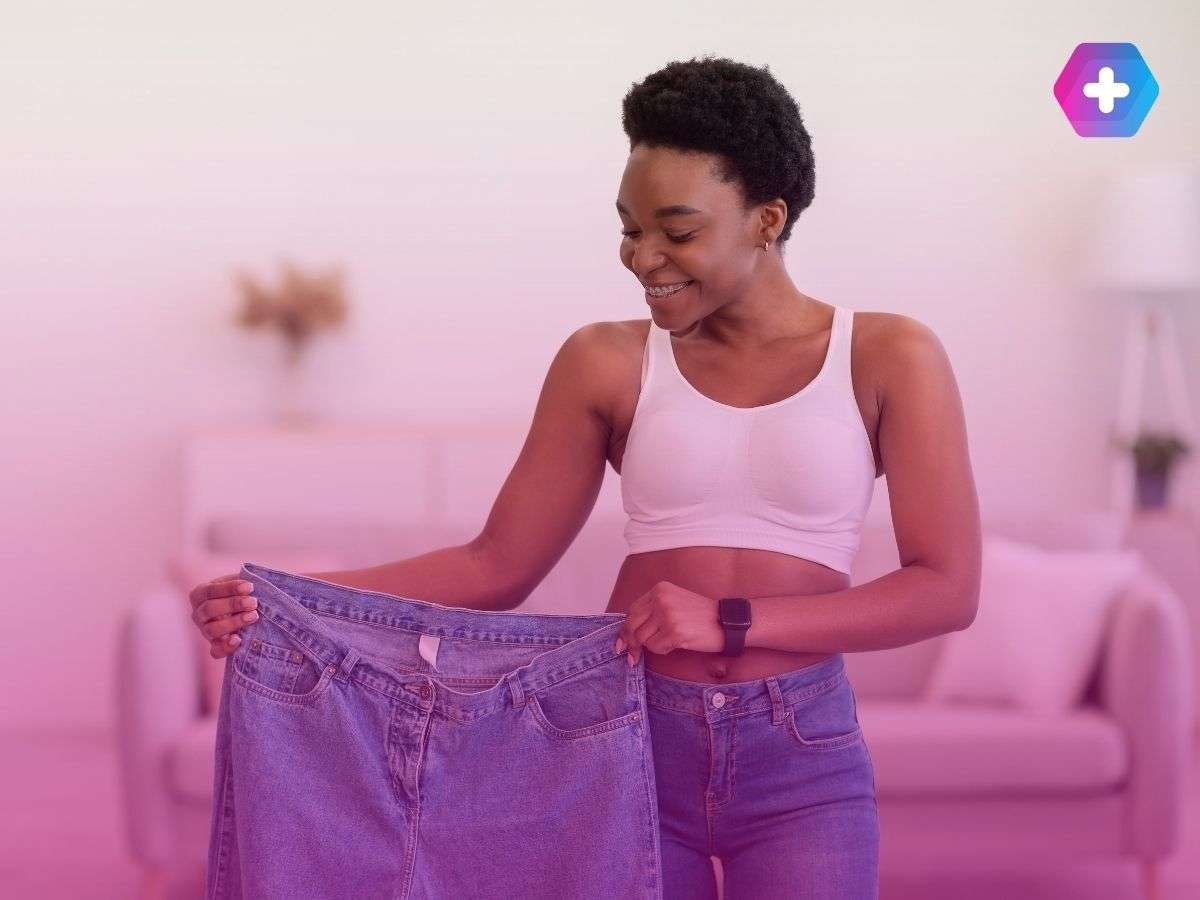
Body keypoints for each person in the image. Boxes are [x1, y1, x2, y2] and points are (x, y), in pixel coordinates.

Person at [190, 55, 981, 899]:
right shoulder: (604, 361)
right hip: (622, 735)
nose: (643, 257)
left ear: (767, 219)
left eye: (676, 231)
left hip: (802, 754)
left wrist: (730, 621)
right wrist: (288, 597)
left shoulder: (890, 356)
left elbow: (946, 588)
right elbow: (495, 565)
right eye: (629, 228)